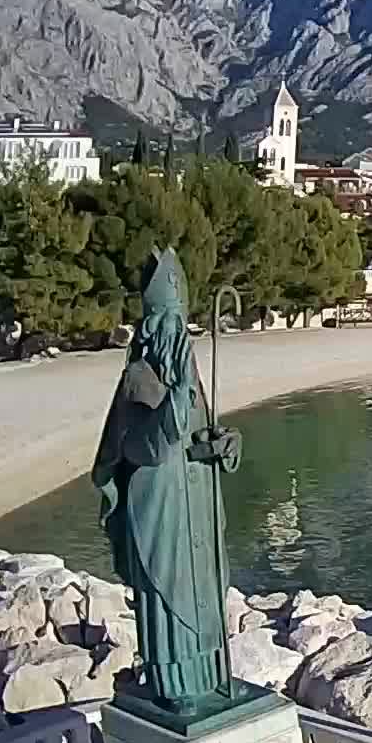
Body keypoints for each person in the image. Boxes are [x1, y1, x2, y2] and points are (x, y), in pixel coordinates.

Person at [92, 248, 243, 713]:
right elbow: (146, 449)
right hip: (160, 513)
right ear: (154, 330)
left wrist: (224, 445)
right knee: (170, 592)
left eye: (182, 329)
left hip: (195, 503)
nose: (179, 338)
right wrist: (176, 400)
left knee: (204, 590)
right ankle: (175, 685)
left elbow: (195, 442)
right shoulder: (139, 378)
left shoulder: (189, 376)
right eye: (170, 328)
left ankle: (212, 674)